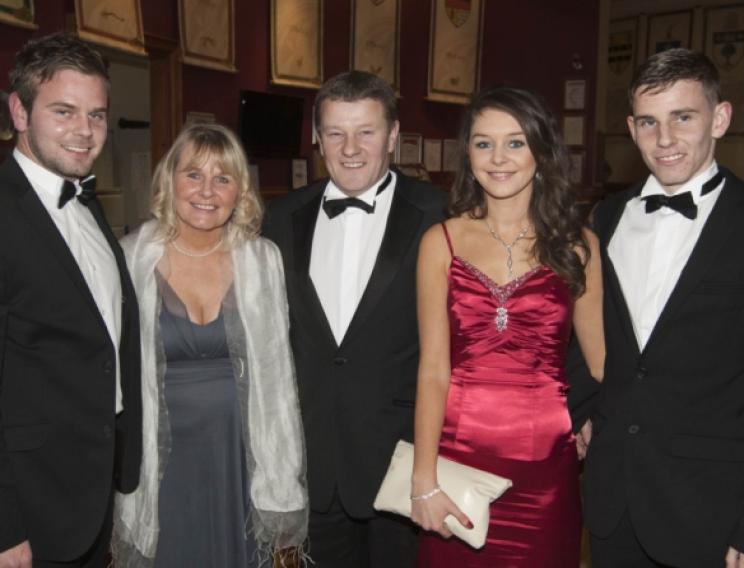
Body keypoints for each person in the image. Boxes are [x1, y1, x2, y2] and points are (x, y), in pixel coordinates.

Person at [569, 48, 744, 568]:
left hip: (716, 514)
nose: (665, 139)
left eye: (683, 117)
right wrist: (582, 407)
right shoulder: (605, 218)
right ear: (630, 128)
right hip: (614, 504)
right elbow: (589, 339)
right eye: (649, 122)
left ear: (720, 119)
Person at [410, 85, 604, 566]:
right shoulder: (441, 242)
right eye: (483, 143)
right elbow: (433, 370)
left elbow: (603, 366)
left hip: (547, 478)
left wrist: (598, 419)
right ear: (468, 154)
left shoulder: (579, 246)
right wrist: (423, 478)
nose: (498, 158)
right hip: (456, 467)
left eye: (515, 142)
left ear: (542, 150)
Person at [263, 71, 446, 568]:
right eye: (336, 133)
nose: (350, 148)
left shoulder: (438, 215)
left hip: (403, 462)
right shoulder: (281, 217)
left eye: (366, 131)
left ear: (392, 135)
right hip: (314, 463)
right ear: (317, 139)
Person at [112, 123, 308, 567]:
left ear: (241, 190)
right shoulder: (129, 259)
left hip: (242, 457)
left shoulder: (263, 261)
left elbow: (279, 379)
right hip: (161, 462)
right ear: (169, 180)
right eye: (193, 174)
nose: (207, 190)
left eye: (223, 177)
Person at [0, 33, 142, 567]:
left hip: (90, 493)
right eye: (64, 111)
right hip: (28, 508)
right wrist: (4, 526)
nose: (85, 132)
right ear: (19, 110)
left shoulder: (88, 204)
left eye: (97, 115)